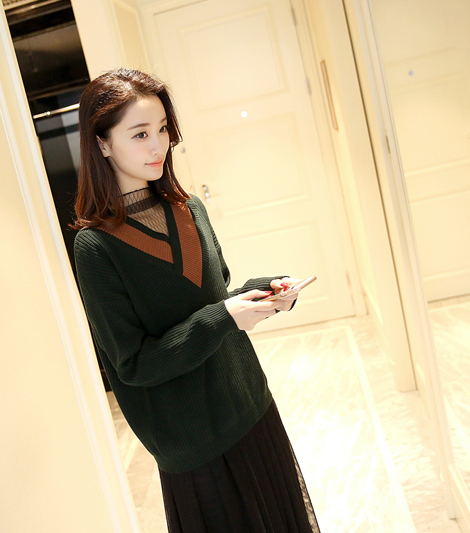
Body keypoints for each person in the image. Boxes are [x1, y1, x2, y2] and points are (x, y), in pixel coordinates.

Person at [72, 68, 321, 533]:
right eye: (140, 134)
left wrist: (265, 291)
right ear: (102, 144)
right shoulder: (96, 247)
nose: (158, 146)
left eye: (163, 129)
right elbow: (134, 364)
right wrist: (223, 315)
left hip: (251, 403)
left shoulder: (190, 208)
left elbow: (213, 300)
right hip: (194, 442)